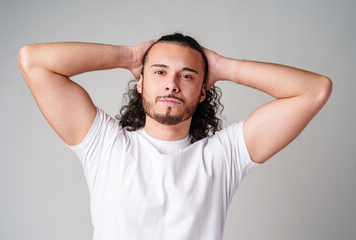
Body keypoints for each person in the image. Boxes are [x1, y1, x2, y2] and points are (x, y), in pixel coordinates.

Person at [18, 33, 332, 240]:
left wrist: (222, 66)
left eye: (187, 75)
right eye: (159, 71)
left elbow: (315, 90)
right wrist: (128, 56)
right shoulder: (104, 144)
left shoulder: (224, 155)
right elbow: (34, 61)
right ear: (140, 82)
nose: (172, 84)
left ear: (203, 91)